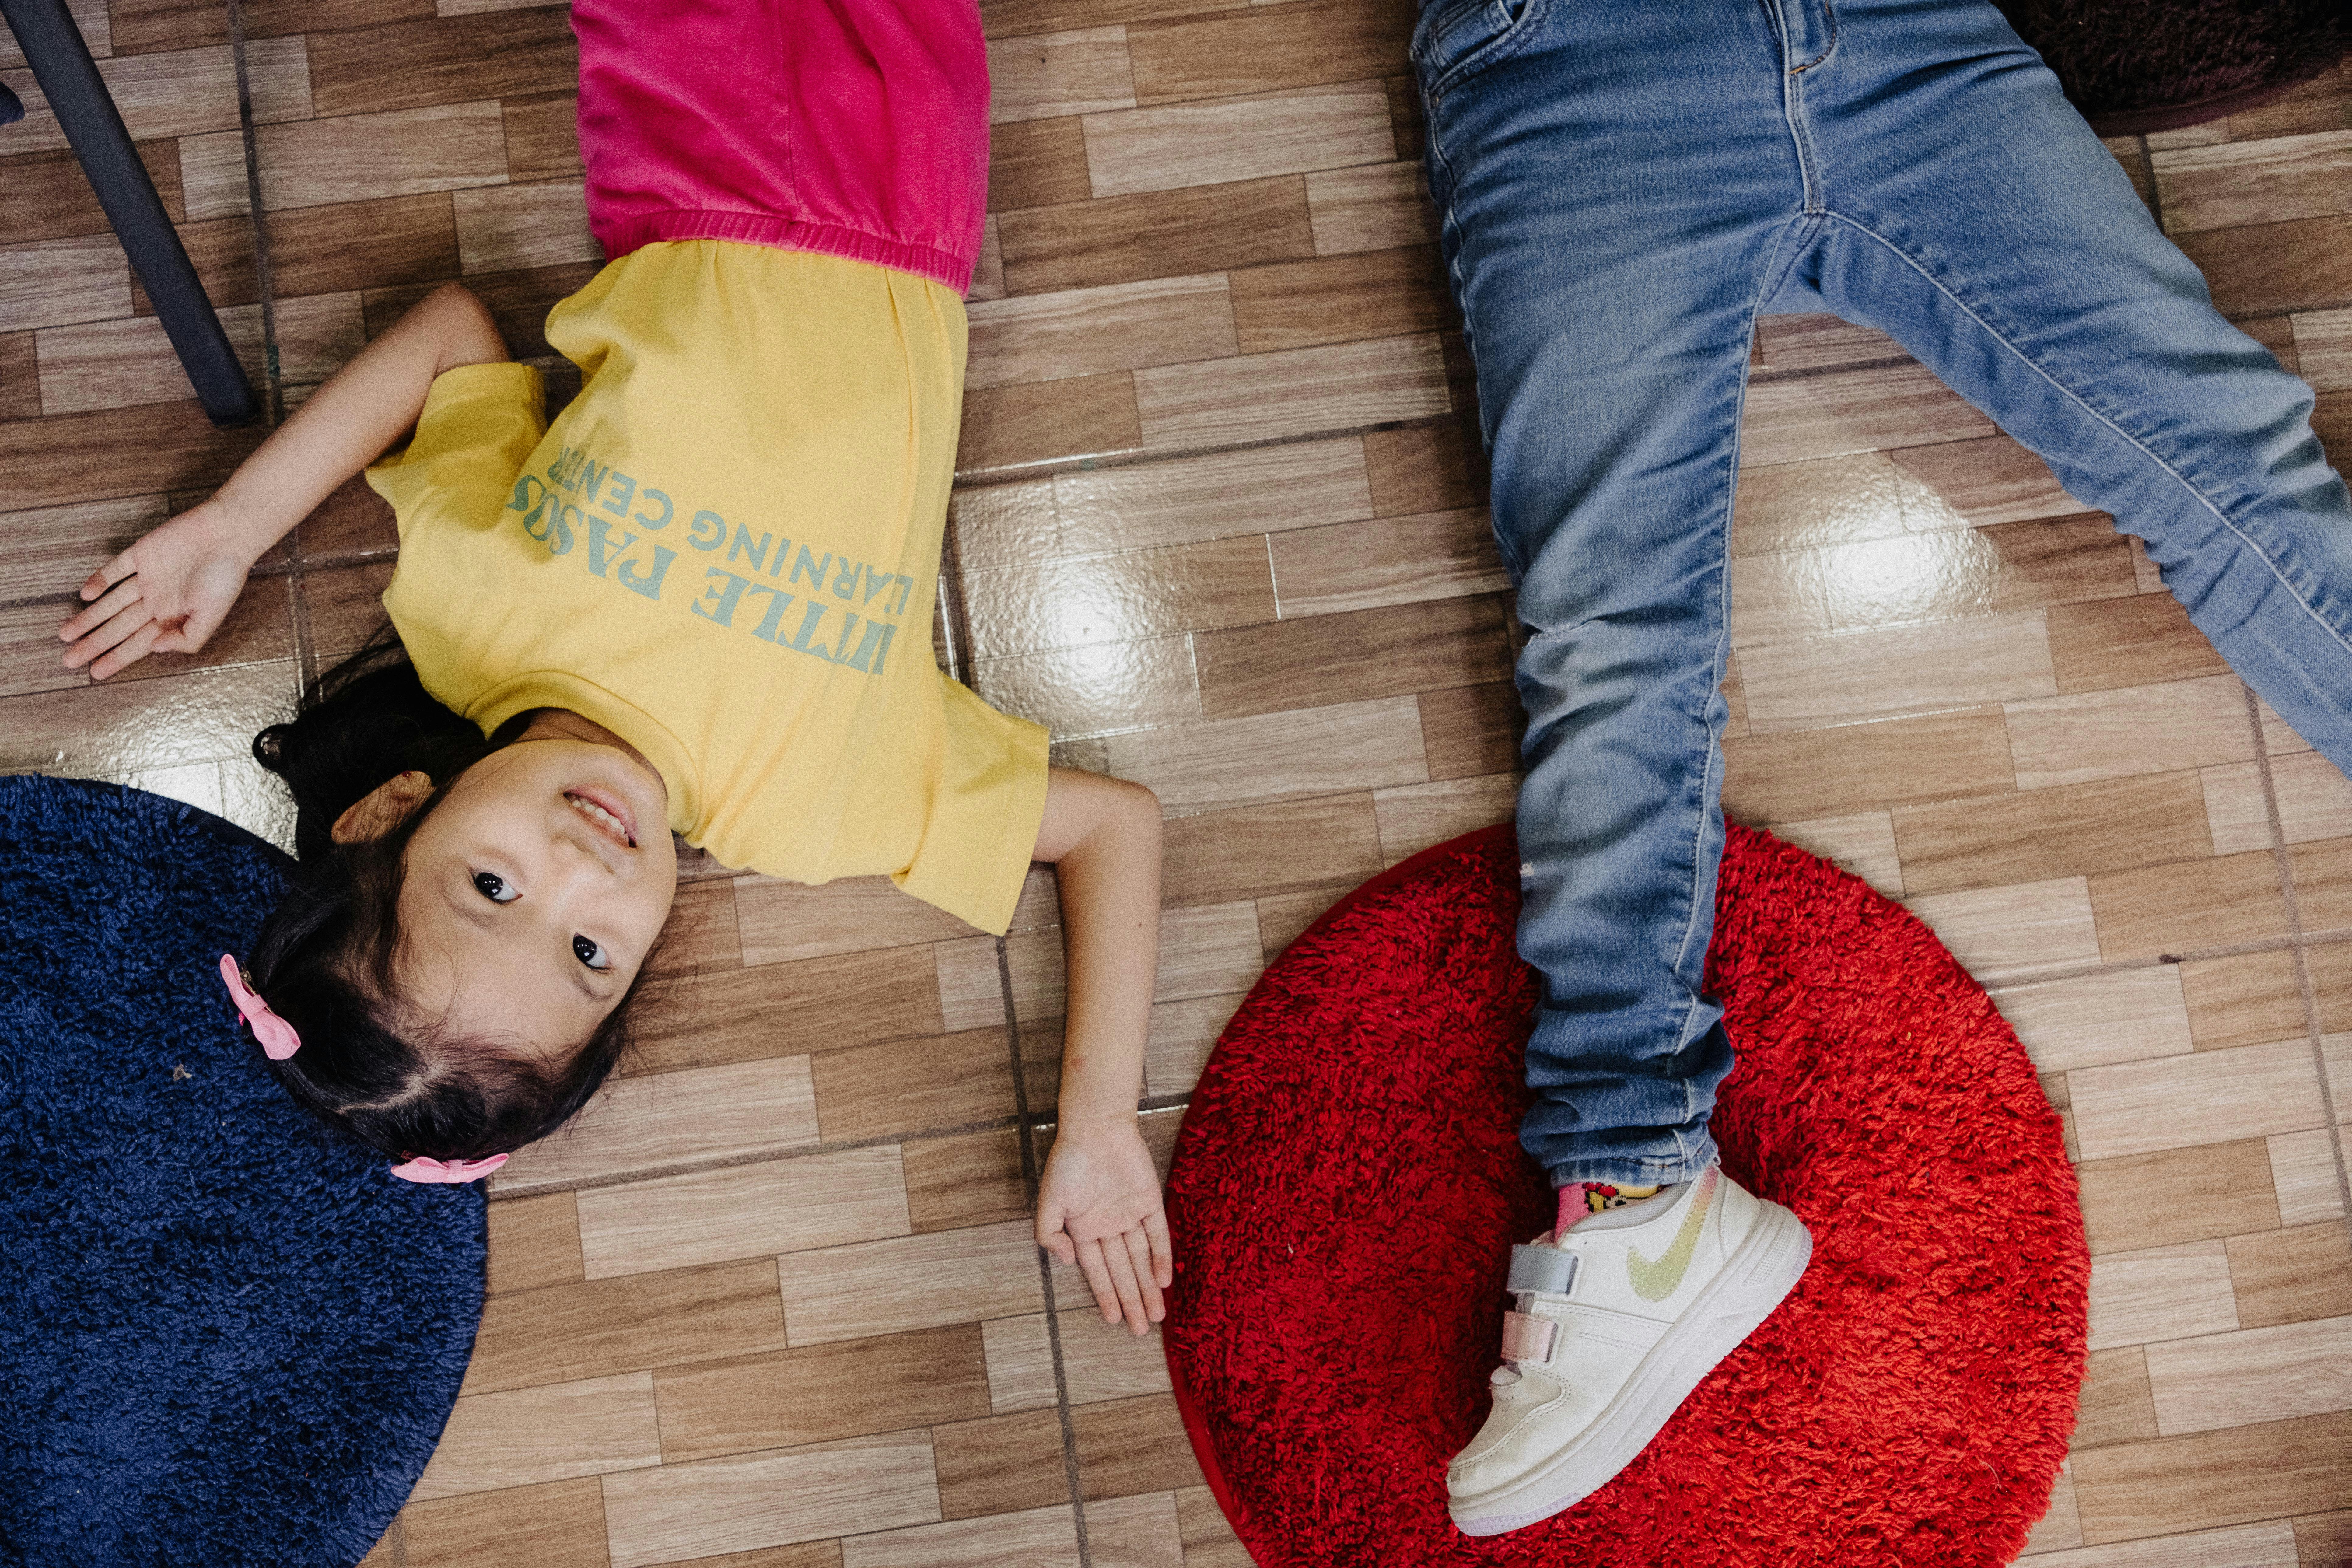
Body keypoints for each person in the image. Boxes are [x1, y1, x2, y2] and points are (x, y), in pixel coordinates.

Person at [54, 0, 1175, 1335]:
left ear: (391, 810)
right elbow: (1109, 828)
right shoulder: (816, 804)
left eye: (493, 888)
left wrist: (239, 525)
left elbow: (454, 332)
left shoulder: (469, 616)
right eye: (589, 952)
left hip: (700, 135)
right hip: (914, 181)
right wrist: (1100, 1119)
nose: (584, 870)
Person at [1417, 0, 2352, 1537]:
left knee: (2231, 458)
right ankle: (1636, 1193)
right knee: (1611, 637)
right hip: (1581, 65)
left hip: (1897, 30)